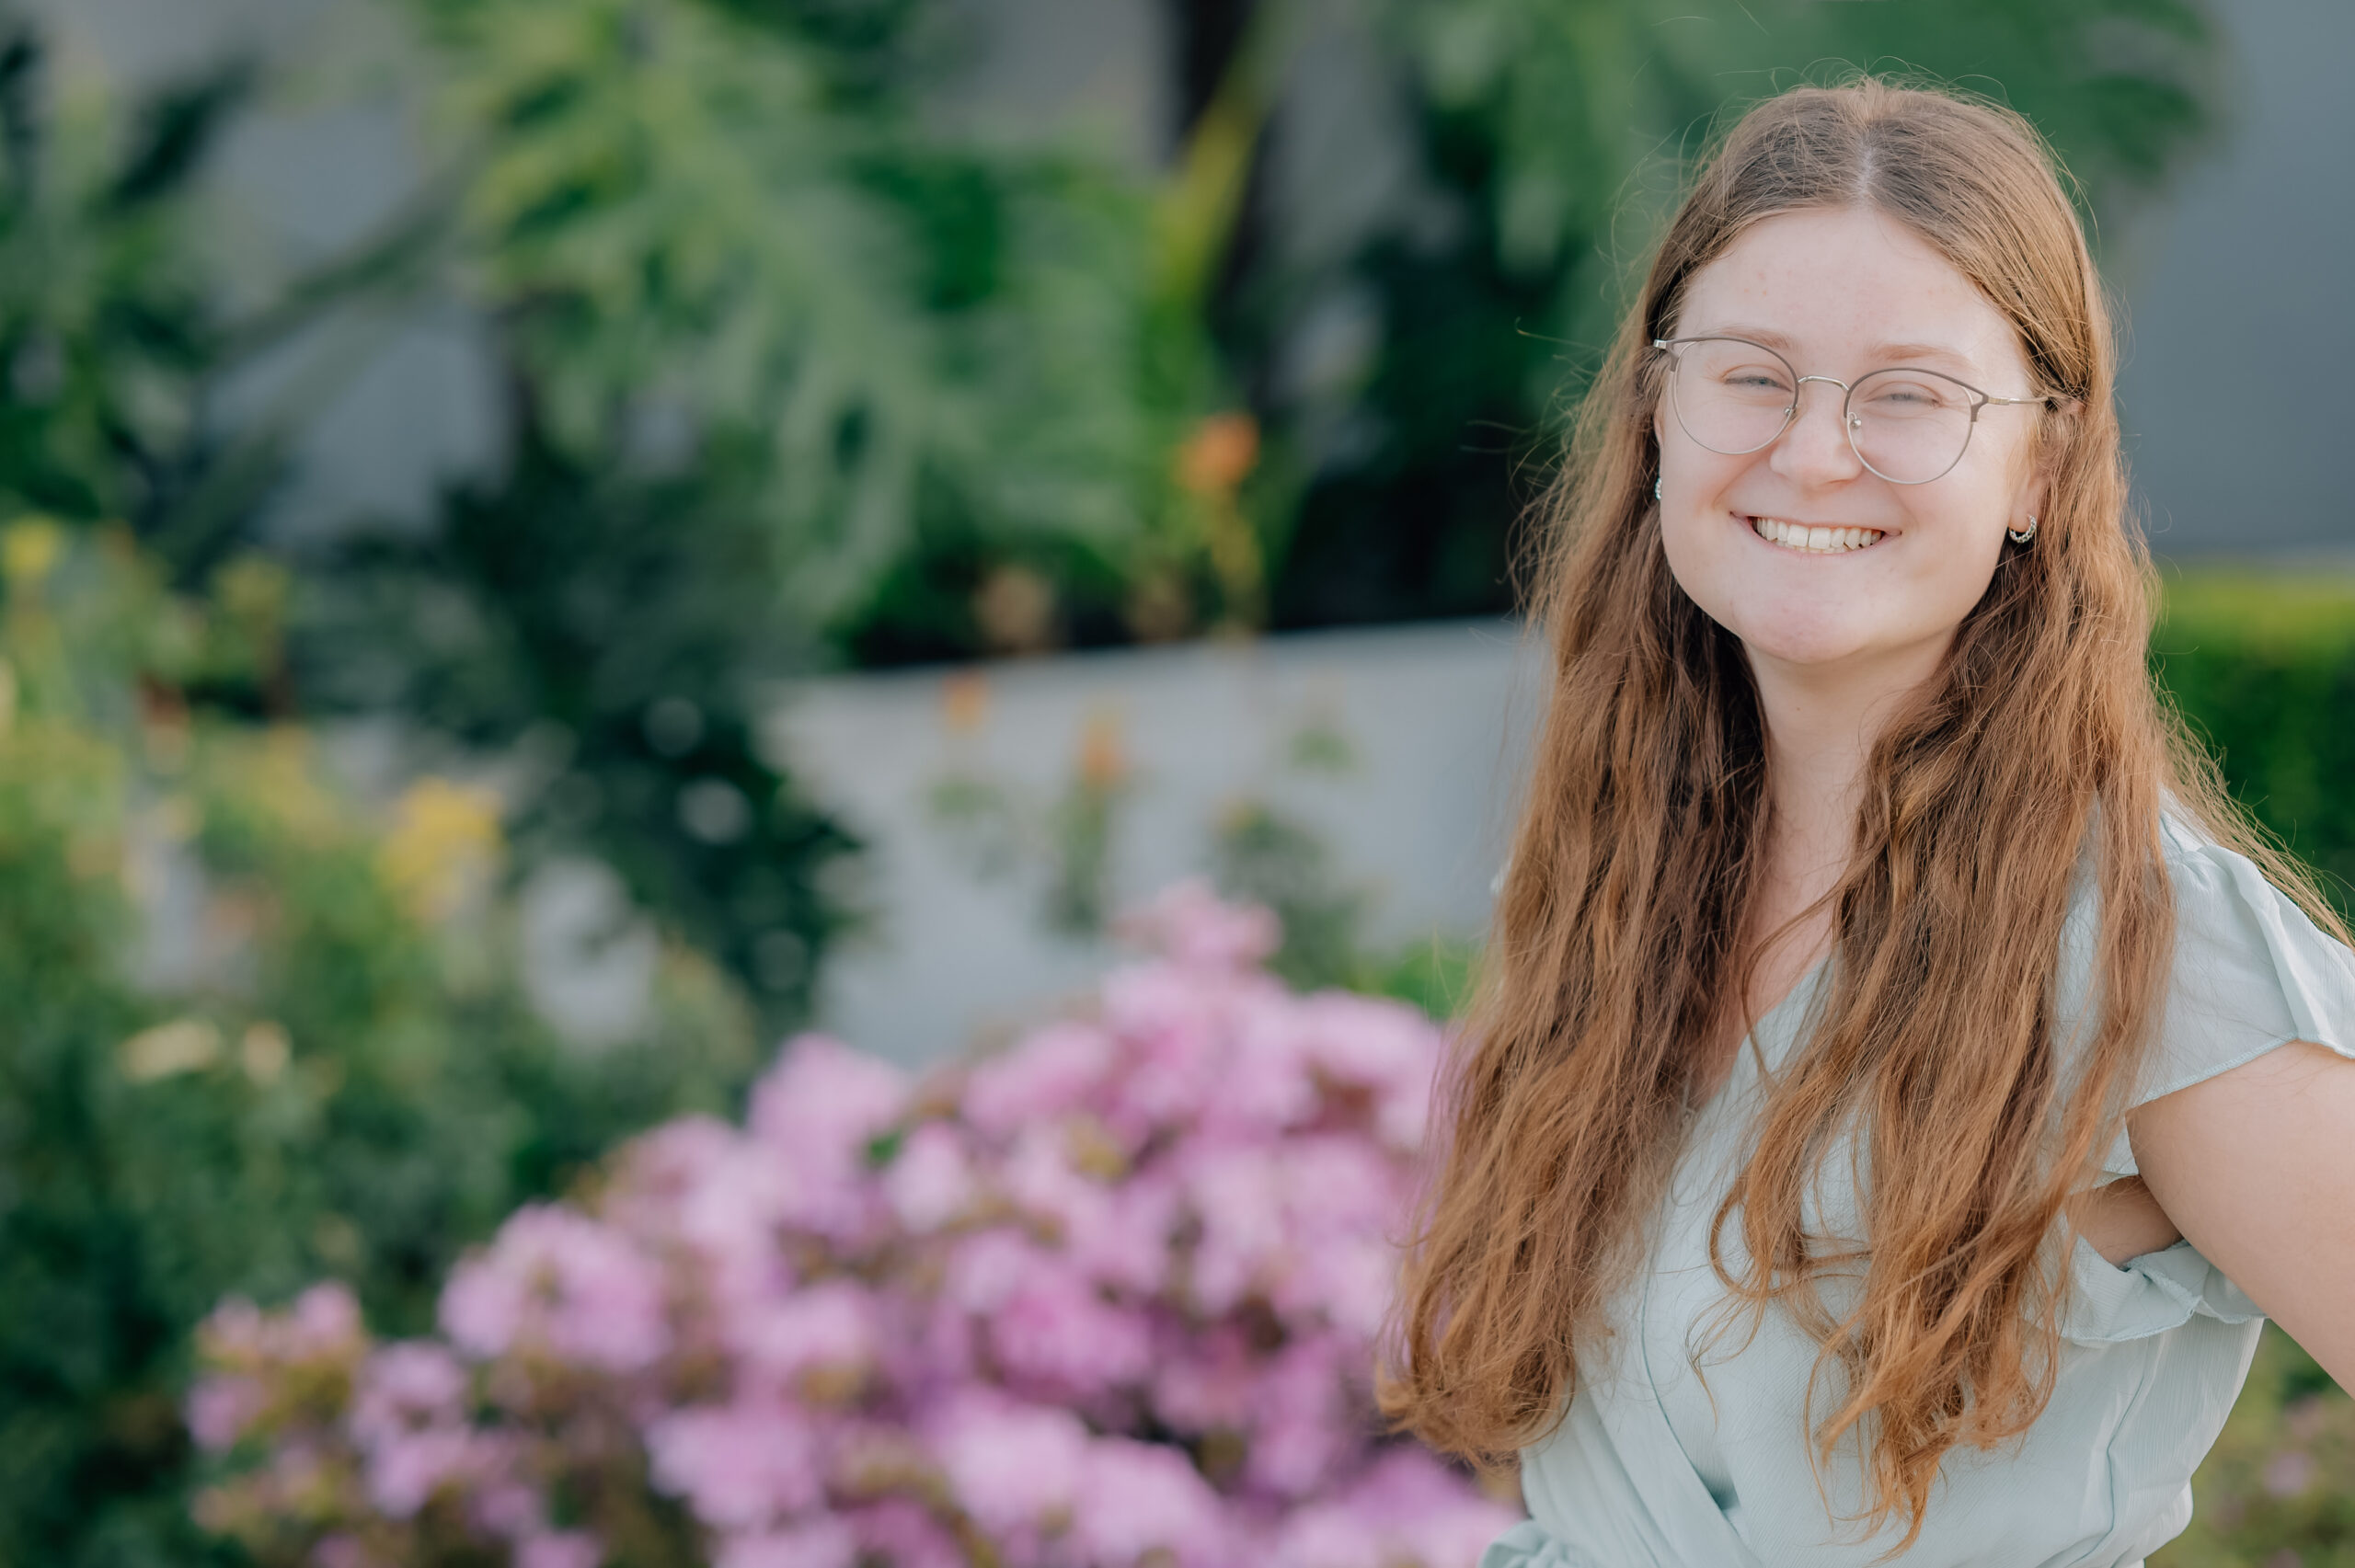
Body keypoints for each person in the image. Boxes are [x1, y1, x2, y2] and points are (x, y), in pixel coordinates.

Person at [1381, 78, 2355, 1568]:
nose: (1816, 452)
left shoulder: (2158, 952)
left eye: (1908, 393)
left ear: (2040, 459)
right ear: (1657, 414)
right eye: (1750, 375)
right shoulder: (1608, 878)